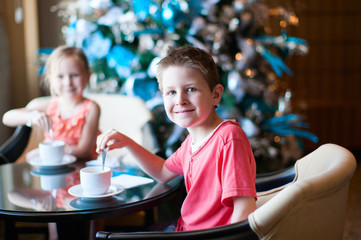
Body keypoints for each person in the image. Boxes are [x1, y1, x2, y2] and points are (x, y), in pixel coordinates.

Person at [96, 46, 257, 231]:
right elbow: (163, 171)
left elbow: (244, 209)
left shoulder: (228, 138)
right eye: (171, 92)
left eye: (190, 89)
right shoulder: (191, 143)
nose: (180, 100)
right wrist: (128, 143)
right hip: (183, 229)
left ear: (215, 95)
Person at [2, 45, 101, 160]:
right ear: (50, 79)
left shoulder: (91, 108)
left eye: (75, 75)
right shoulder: (50, 105)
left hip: (81, 168)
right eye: (60, 76)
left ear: (88, 77)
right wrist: (32, 116)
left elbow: (83, 151)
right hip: (52, 166)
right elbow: (7, 118)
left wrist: (42, 152)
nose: (68, 82)